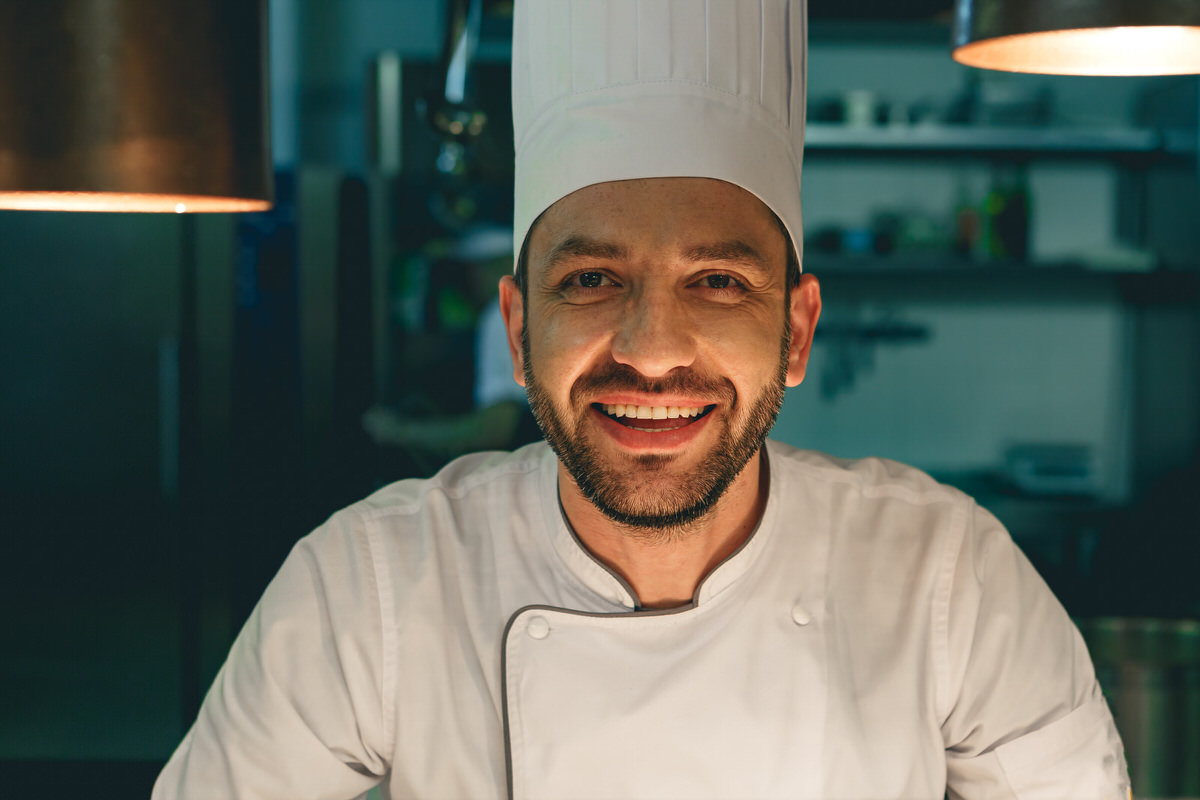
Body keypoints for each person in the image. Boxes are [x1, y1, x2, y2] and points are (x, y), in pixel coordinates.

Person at [154, 1, 1130, 797]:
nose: (652, 352)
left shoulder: (947, 578)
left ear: (795, 329)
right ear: (516, 327)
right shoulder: (372, 584)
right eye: (590, 280)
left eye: (716, 280)